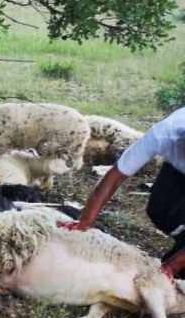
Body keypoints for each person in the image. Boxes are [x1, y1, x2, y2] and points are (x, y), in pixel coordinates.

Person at [60, 107, 185, 279]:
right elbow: (116, 176)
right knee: (158, 211)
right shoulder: (165, 132)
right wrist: (85, 221)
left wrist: (173, 264)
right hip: (175, 169)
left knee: (177, 268)